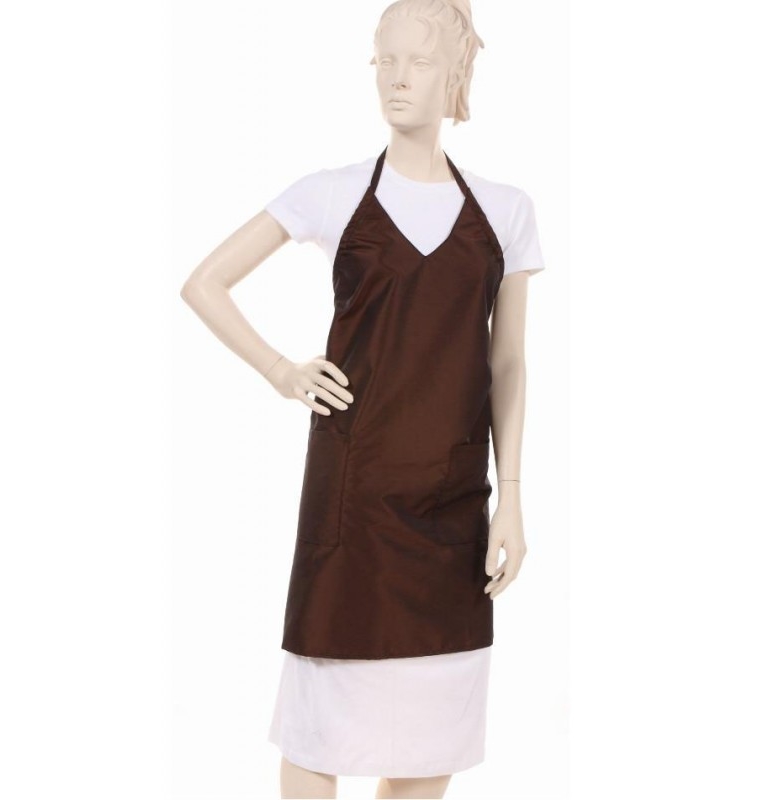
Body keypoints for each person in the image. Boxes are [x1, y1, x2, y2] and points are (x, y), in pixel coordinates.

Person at [180, 1, 545, 797]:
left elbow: (508, 360)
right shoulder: (333, 193)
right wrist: (280, 371)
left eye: (418, 61)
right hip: (353, 495)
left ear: (455, 73)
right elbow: (204, 283)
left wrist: (512, 496)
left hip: (453, 504)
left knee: (431, 741)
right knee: (320, 731)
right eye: (385, 60)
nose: (397, 78)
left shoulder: (507, 210)